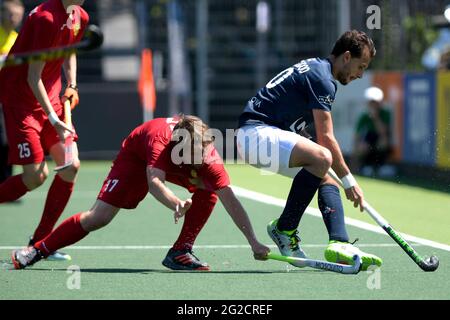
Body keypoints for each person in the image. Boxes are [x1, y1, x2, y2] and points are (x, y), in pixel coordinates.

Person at [11, 115, 270, 270]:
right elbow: (154, 182)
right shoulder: (159, 143)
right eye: (195, 153)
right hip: (135, 158)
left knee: (210, 191)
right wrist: (176, 203)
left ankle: (181, 251)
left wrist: (254, 242)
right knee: (99, 217)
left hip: (171, 165)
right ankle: (37, 250)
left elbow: (231, 200)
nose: (201, 157)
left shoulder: (207, 157)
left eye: (203, 151)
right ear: (177, 146)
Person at [236, 30, 382, 270]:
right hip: (255, 134)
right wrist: (349, 180)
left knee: (326, 177)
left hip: (260, 137)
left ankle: (339, 242)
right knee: (324, 157)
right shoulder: (323, 79)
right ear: (347, 57)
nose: (360, 74)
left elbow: (302, 130)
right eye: (361, 66)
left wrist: (338, 177)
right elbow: (326, 139)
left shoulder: (316, 69)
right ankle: (284, 228)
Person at [0, 0, 89, 261]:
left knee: (71, 166)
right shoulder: (45, 19)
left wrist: (72, 84)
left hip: (50, 98)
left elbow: (70, 49)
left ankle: (40, 243)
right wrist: (52, 117)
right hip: (22, 101)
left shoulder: (79, 16)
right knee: (35, 176)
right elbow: (32, 76)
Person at [0, 0, 24, 185]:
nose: (13, 18)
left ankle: (6, 182)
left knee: (7, 140)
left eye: (17, 15)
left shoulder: (18, 39)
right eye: (10, 14)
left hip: (8, 98)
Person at [353, 86, 394, 177]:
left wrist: (375, 118)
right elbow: (357, 136)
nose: (373, 105)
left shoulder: (385, 113)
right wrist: (358, 148)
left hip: (381, 137)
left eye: (375, 102)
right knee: (361, 147)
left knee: (383, 142)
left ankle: (380, 166)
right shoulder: (364, 116)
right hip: (369, 138)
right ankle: (366, 166)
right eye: (371, 102)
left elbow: (383, 132)